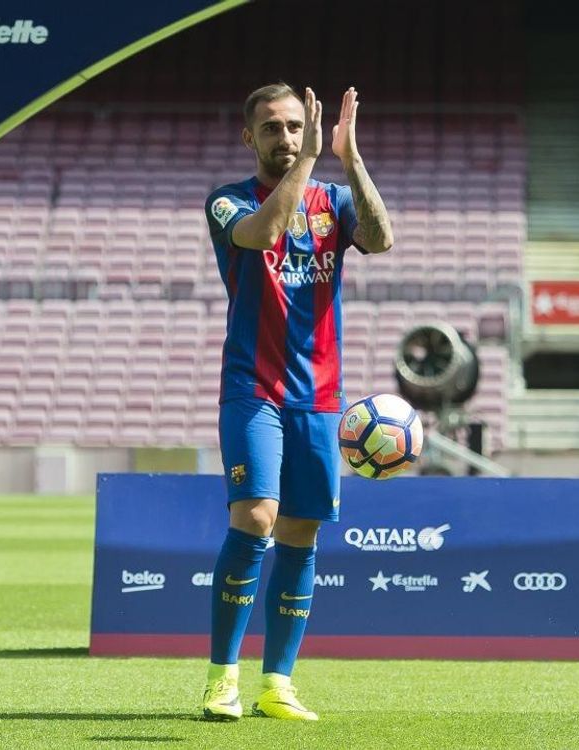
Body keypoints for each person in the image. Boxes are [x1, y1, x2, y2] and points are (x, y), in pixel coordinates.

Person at [200, 83, 393, 722]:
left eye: (292, 126)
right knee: (256, 517)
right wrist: (309, 157)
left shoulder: (333, 200)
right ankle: (222, 678)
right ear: (248, 137)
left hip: (319, 397)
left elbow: (380, 239)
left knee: (300, 532)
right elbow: (264, 233)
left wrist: (349, 157)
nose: (285, 137)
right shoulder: (227, 201)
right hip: (252, 388)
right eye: (272, 128)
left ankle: (276, 684)